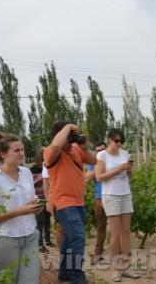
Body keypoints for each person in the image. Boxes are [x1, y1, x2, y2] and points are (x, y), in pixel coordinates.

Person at [0, 132, 44, 284]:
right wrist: (19, 212)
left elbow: (28, 200)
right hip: (5, 240)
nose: (22, 153)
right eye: (17, 150)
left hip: (30, 236)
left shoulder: (26, 173)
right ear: (3, 154)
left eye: (22, 149)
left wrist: (35, 206)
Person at [44, 120, 97, 284]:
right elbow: (55, 146)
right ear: (61, 136)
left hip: (77, 202)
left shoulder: (75, 149)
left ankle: (65, 274)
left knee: (69, 239)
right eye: (69, 136)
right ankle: (76, 276)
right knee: (78, 236)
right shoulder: (51, 151)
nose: (72, 139)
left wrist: (85, 148)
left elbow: (94, 161)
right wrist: (67, 127)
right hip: (62, 202)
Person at [95, 128, 140, 282]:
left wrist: (128, 171)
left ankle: (126, 265)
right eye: (116, 141)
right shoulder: (102, 155)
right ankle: (115, 268)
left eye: (121, 141)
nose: (119, 144)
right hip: (110, 196)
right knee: (116, 233)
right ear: (109, 139)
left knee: (126, 232)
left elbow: (129, 178)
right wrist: (117, 169)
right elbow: (99, 177)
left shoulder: (124, 154)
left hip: (125, 194)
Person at [84, 141, 108, 265]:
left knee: (118, 226)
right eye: (98, 151)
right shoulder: (93, 163)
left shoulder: (112, 159)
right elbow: (87, 179)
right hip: (99, 198)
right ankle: (98, 254)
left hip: (113, 195)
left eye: (103, 150)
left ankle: (122, 250)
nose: (101, 152)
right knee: (101, 226)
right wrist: (98, 166)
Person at [30, 150, 56, 253]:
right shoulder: (33, 169)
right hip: (38, 198)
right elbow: (29, 184)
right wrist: (39, 179)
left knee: (47, 220)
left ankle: (48, 241)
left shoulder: (49, 168)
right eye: (42, 160)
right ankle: (40, 245)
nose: (44, 162)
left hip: (47, 197)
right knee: (39, 222)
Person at [42, 164, 64, 250]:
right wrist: (47, 201)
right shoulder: (49, 159)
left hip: (72, 196)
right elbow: (45, 183)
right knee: (61, 227)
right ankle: (62, 254)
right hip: (57, 198)